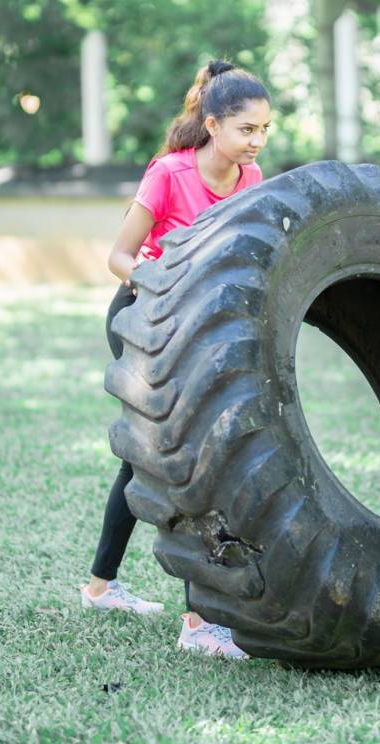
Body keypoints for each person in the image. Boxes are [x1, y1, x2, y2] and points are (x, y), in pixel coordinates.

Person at [79, 58, 271, 660]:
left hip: (200, 331)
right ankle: (198, 624)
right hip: (142, 320)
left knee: (146, 466)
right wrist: (159, 284)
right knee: (187, 461)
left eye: (265, 129)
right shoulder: (169, 173)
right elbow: (118, 255)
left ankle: (99, 587)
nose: (256, 141)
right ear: (213, 125)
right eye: (246, 129)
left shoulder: (251, 177)